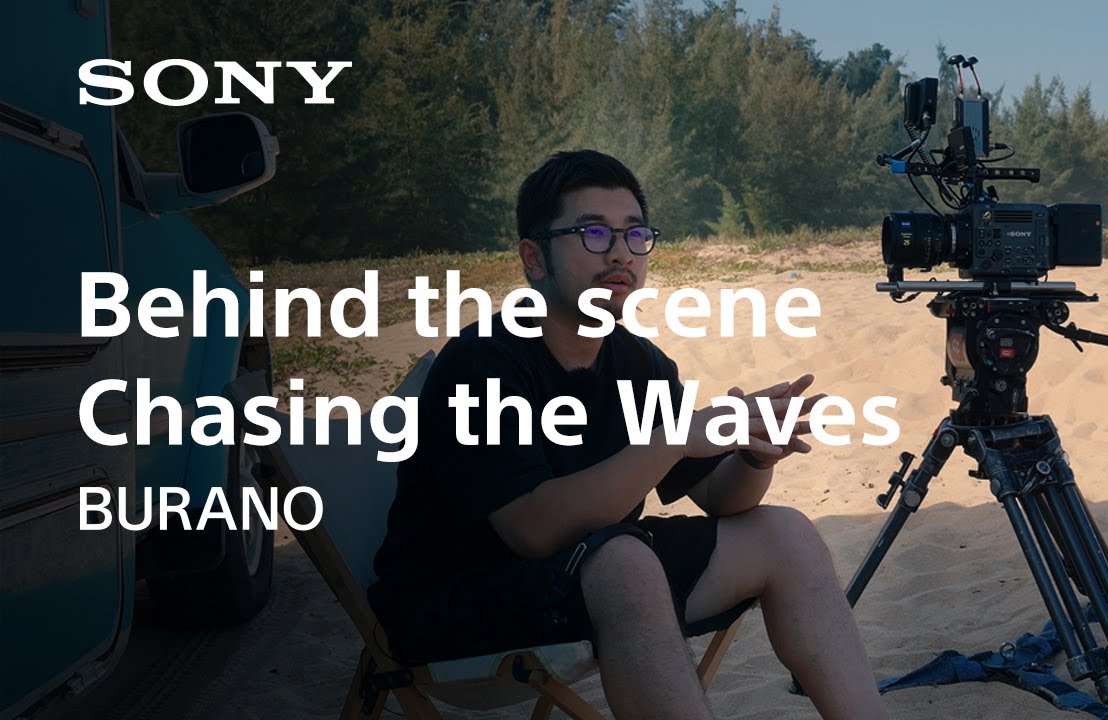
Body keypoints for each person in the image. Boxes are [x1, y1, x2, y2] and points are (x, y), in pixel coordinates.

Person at [369, 150, 888, 719]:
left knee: (784, 533)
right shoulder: (483, 363)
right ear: (534, 258)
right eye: (593, 233)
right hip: (453, 603)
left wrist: (752, 454)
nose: (620, 252)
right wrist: (673, 439)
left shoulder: (639, 363)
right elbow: (532, 530)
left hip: (598, 580)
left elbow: (719, 497)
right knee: (623, 557)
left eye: (635, 234)